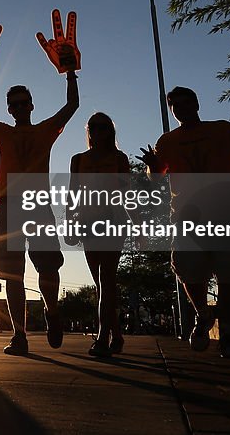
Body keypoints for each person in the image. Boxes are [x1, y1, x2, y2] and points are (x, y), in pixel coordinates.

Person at [0, 12, 80, 355]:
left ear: (31, 105)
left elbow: (72, 104)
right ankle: (19, 334)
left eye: (22, 103)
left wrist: (70, 69)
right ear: (10, 109)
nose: (17, 108)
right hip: (9, 206)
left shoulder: (46, 129)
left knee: (48, 267)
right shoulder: (3, 133)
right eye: (12, 105)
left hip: (37, 205)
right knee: (12, 273)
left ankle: (52, 309)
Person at [137, 86, 230, 359]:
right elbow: (156, 176)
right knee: (187, 270)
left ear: (196, 104)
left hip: (229, 214)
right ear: (172, 110)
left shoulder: (221, 129)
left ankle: (229, 339)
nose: (180, 108)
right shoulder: (167, 141)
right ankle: (203, 315)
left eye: (185, 103)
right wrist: (151, 164)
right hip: (188, 216)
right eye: (174, 105)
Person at [70, 112, 132, 358]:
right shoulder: (78, 160)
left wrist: (136, 225)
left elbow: (127, 195)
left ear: (110, 131)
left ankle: (101, 337)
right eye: (93, 127)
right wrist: (71, 223)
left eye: (103, 127)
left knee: (106, 279)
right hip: (87, 223)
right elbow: (73, 194)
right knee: (101, 283)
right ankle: (116, 335)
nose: (97, 132)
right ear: (88, 131)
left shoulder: (119, 159)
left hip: (113, 222)